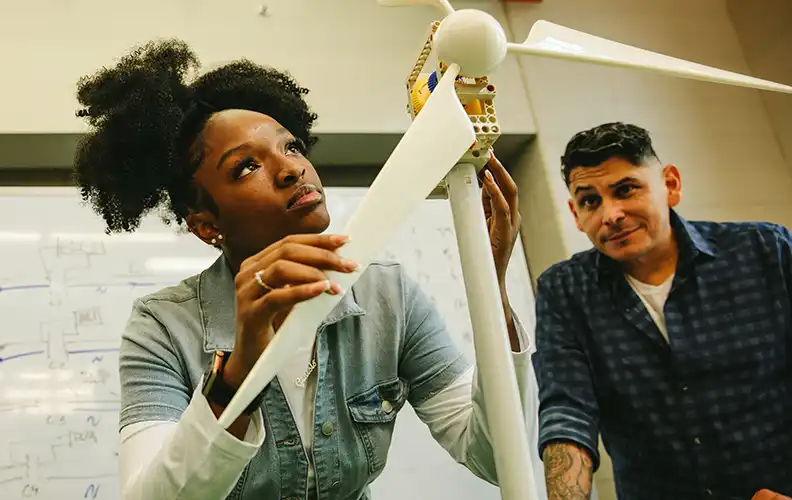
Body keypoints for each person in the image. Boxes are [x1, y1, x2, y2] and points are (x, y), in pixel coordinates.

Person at [72, 39, 538, 500]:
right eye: (246, 166)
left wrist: (490, 285)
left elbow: (496, 457)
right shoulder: (161, 327)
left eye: (291, 147)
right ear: (206, 225)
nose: (291, 169)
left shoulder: (386, 295)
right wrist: (239, 371)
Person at [533, 122, 792, 499]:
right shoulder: (564, 290)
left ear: (670, 185)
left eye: (626, 190)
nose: (611, 214)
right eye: (591, 201)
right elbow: (568, 410)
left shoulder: (766, 250)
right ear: (576, 214)